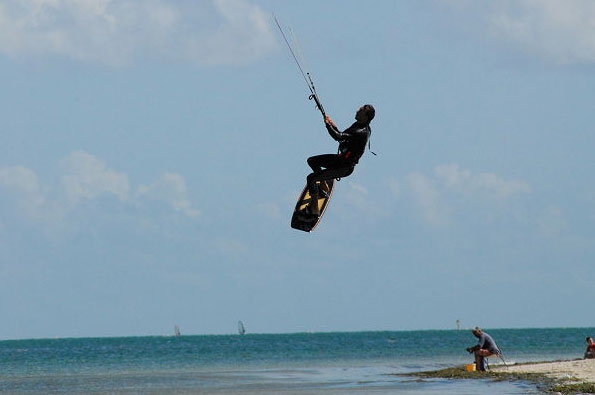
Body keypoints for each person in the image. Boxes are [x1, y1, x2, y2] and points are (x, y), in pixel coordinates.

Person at [306, 104, 375, 215]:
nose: (357, 110)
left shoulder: (361, 132)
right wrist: (332, 124)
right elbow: (343, 135)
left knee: (311, 179)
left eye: (361, 111)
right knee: (312, 161)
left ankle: (314, 209)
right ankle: (323, 187)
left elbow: (338, 137)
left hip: (344, 168)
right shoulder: (359, 125)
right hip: (340, 160)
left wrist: (328, 125)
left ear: (366, 117)